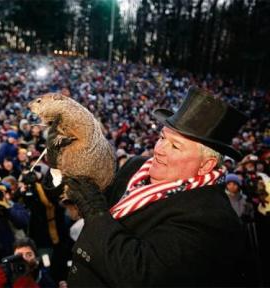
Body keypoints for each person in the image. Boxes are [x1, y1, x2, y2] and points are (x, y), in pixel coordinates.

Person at [49, 87, 249, 286]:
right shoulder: (136, 166)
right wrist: (64, 163)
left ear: (206, 165)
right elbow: (85, 194)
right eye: (162, 138)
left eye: (175, 146)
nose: (159, 150)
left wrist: (95, 212)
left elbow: (140, 275)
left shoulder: (213, 219)